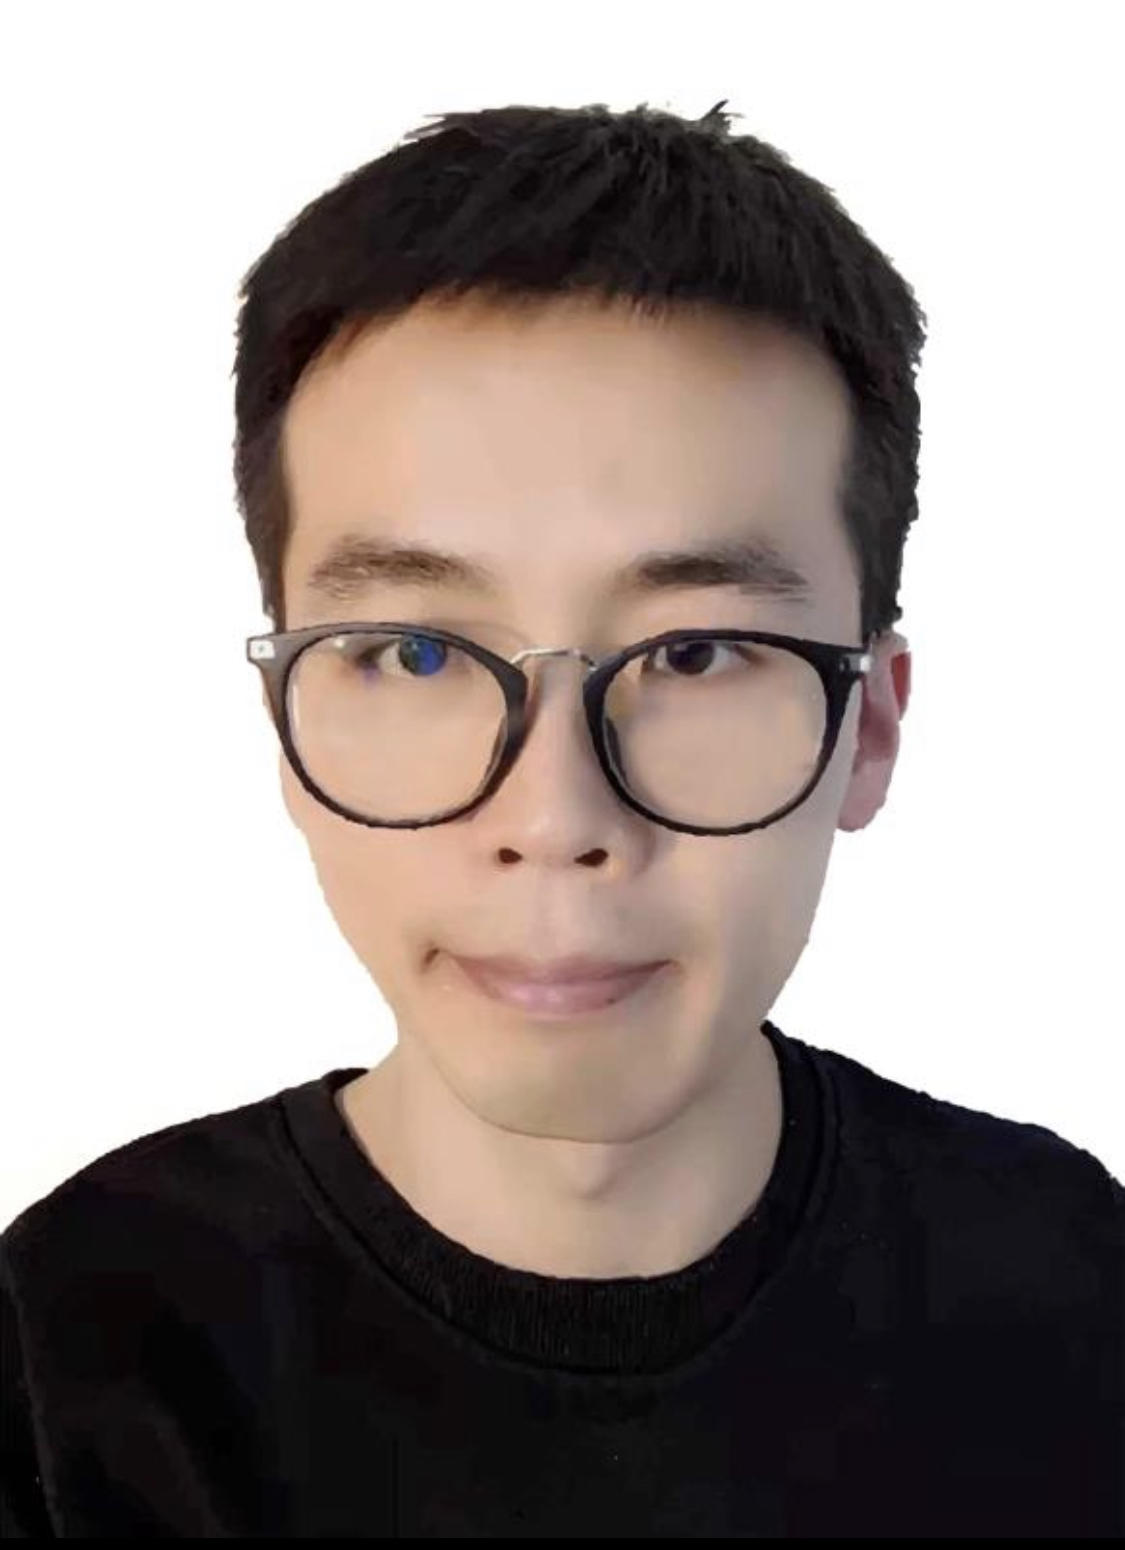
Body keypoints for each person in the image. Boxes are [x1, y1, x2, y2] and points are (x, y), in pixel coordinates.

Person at [2, 99, 1121, 1539]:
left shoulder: (1072, 1287)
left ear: (871, 727)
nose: (552, 817)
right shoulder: (64, 1348)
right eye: (413, 651)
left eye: (696, 652)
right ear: (283, 718)